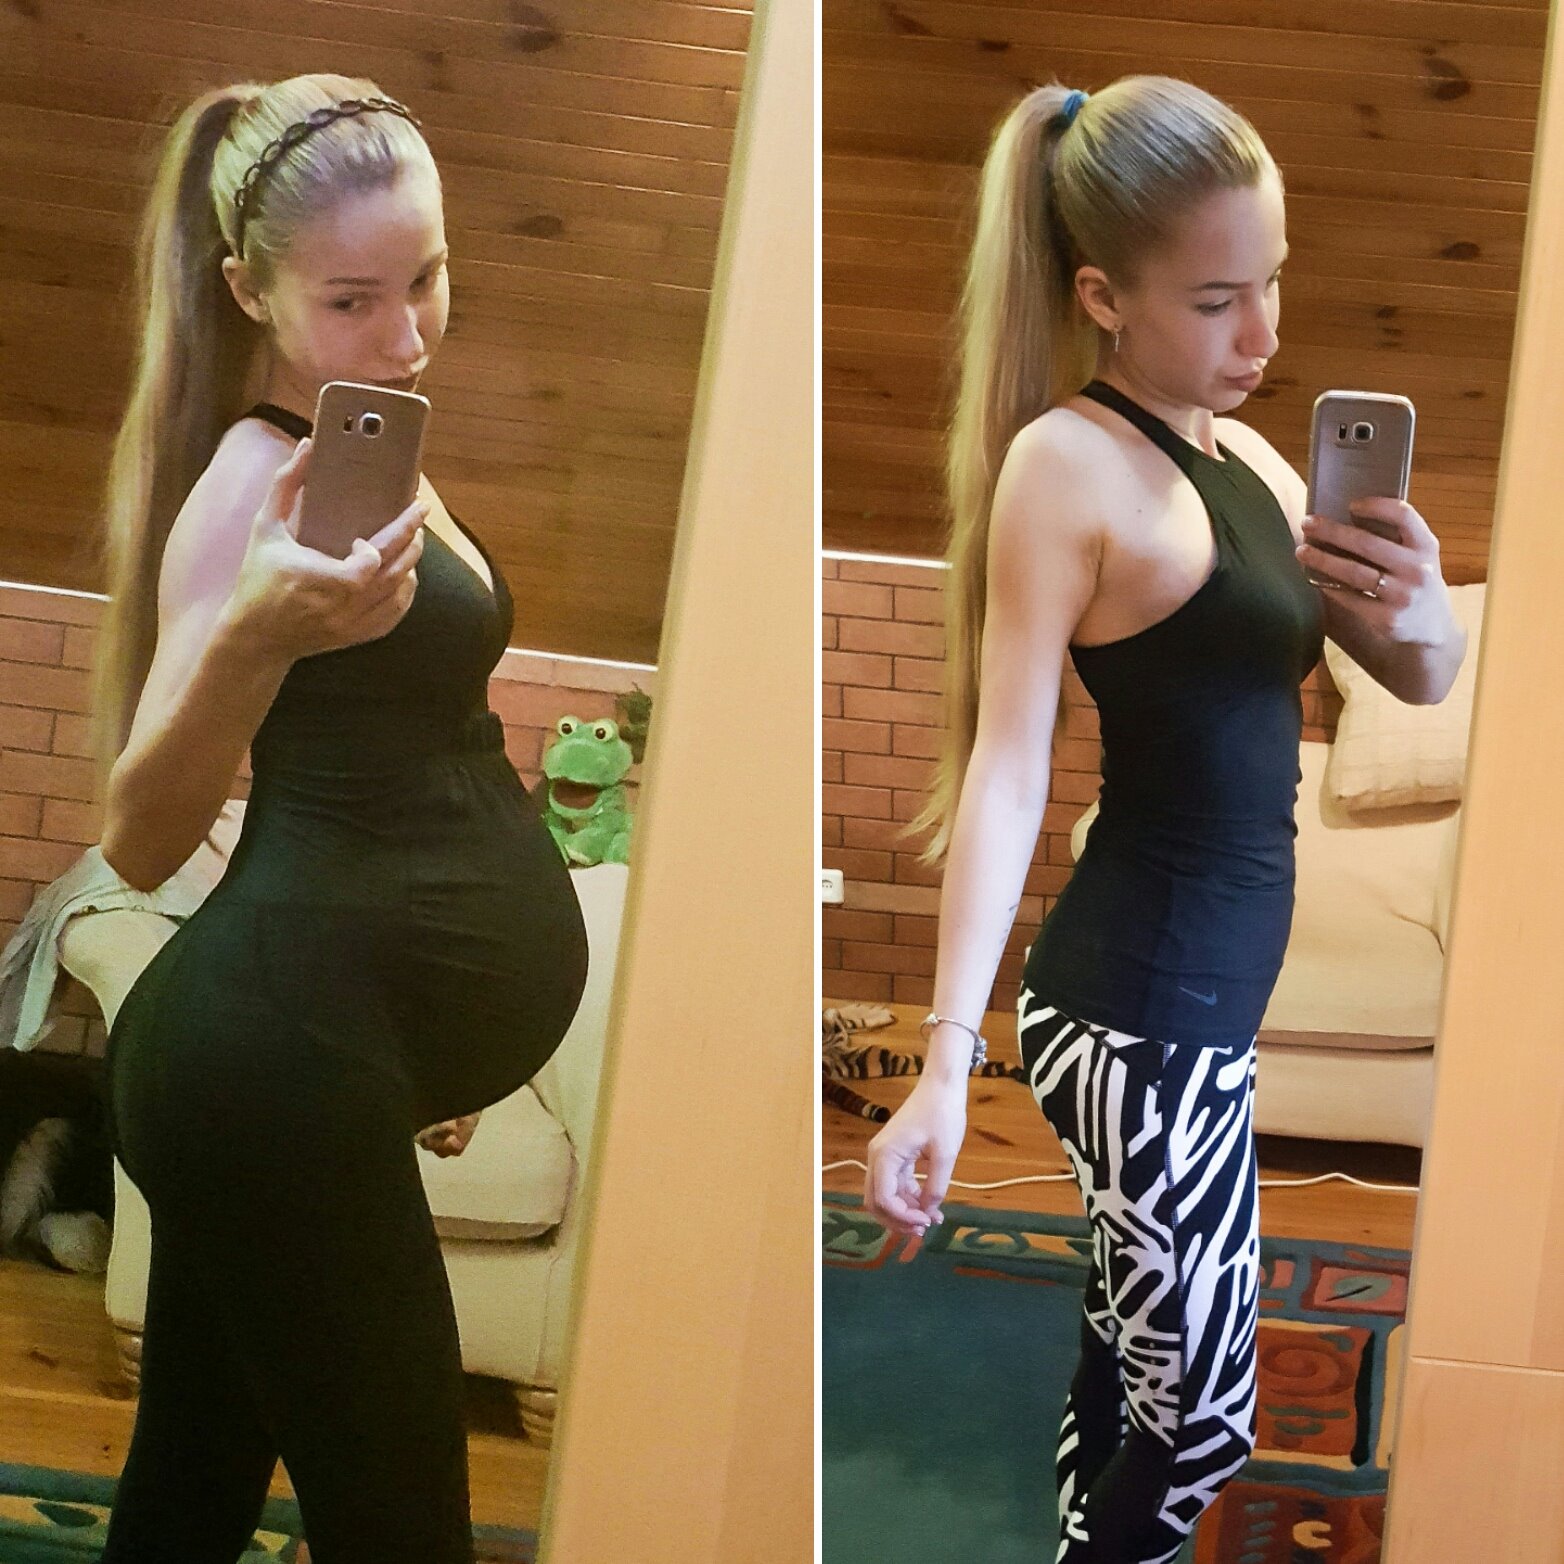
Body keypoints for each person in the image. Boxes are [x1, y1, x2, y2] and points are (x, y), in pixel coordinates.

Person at [861, 76, 1467, 1564]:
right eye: (1215, 300)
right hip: (1135, 1022)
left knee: (1134, 1341)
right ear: (1102, 298)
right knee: (1205, 1421)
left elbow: (1415, 676)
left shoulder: (1246, 454)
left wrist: (1423, 605)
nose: (1262, 334)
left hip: (1203, 1007)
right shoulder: (1067, 466)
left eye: (1271, 283)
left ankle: (1083, 1514)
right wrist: (944, 1062)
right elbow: (1008, 769)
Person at [89, 73, 590, 1563]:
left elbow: (412, 770)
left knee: (190, 1488)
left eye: (426, 277)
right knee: (402, 1526)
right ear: (252, 291)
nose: (409, 334)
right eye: (354, 301)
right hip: (267, 1072)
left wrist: (423, 1039)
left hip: (317, 1063)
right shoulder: (250, 486)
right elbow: (139, 838)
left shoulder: (376, 457)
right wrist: (255, 634)